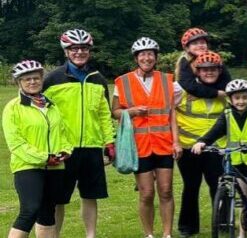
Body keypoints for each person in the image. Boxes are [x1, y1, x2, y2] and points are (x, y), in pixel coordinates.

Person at [43, 29, 113, 238]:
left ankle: (90, 235)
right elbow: (41, 113)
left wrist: (110, 142)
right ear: (66, 51)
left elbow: (104, 114)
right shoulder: (53, 78)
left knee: (90, 196)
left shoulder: (98, 79)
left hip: (92, 147)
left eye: (84, 48)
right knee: (58, 198)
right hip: (64, 148)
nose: (79, 52)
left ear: (89, 51)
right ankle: (54, 235)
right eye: (74, 49)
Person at [190, 80, 247, 236]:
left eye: (244, 97)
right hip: (239, 159)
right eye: (237, 98)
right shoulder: (227, 114)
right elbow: (215, 131)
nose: (241, 101)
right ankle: (242, 233)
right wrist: (201, 142)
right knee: (244, 197)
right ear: (230, 99)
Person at [113, 37, 177, 238]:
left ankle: (167, 234)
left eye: (150, 54)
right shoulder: (122, 82)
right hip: (139, 146)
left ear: (156, 57)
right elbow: (114, 111)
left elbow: (172, 113)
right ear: (136, 58)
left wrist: (177, 141)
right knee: (147, 194)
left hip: (164, 144)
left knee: (166, 191)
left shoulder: (168, 80)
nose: (147, 58)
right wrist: (130, 111)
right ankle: (148, 234)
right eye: (143, 54)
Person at [5, 60, 72, 238]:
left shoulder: (52, 105)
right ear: (19, 82)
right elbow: (16, 143)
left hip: (55, 166)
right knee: (30, 210)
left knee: (47, 212)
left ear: (42, 79)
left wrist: (65, 150)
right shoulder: (13, 108)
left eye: (35, 78)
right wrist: (44, 157)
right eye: (27, 79)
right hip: (27, 166)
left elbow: (63, 133)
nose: (32, 82)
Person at [172, 51, 229, 237]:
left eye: (213, 69)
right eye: (205, 70)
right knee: (191, 186)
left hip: (216, 147)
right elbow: (167, 109)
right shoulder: (182, 89)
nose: (209, 73)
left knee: (219, 185)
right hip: (188, 147)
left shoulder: (226, 91)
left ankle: (223, 221)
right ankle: (187, 227)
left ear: (219, 71)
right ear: (197, 71)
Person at [173, 28, 233, 105]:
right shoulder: (185, 61)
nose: (200, 45)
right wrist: (216, 93)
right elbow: (188, 85)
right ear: (187, 48)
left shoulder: (214, 58)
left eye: (202, 42)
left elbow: (226, 82)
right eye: (195, 43)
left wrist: (203, 94)